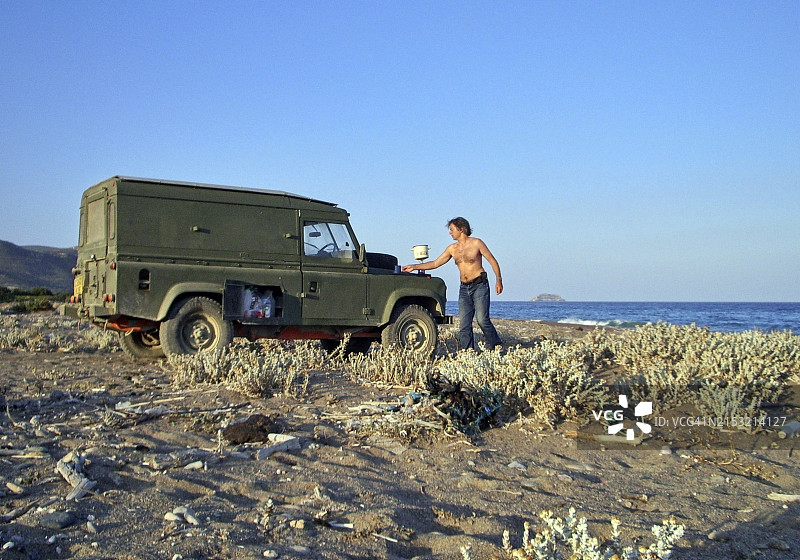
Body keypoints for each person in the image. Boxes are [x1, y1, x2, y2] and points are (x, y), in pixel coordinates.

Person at [403, 217, 503, 350]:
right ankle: (468, 353)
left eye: (452, 229)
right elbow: (435, 263)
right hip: (464, 288)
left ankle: (497, 346)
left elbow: (492, 260)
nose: (450, 232)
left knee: (482, 320)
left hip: (480, 286)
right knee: (464, 325)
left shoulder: (477, 243)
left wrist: (498, 279)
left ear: (461, 229)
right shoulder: (452, 249)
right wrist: (414, 267)